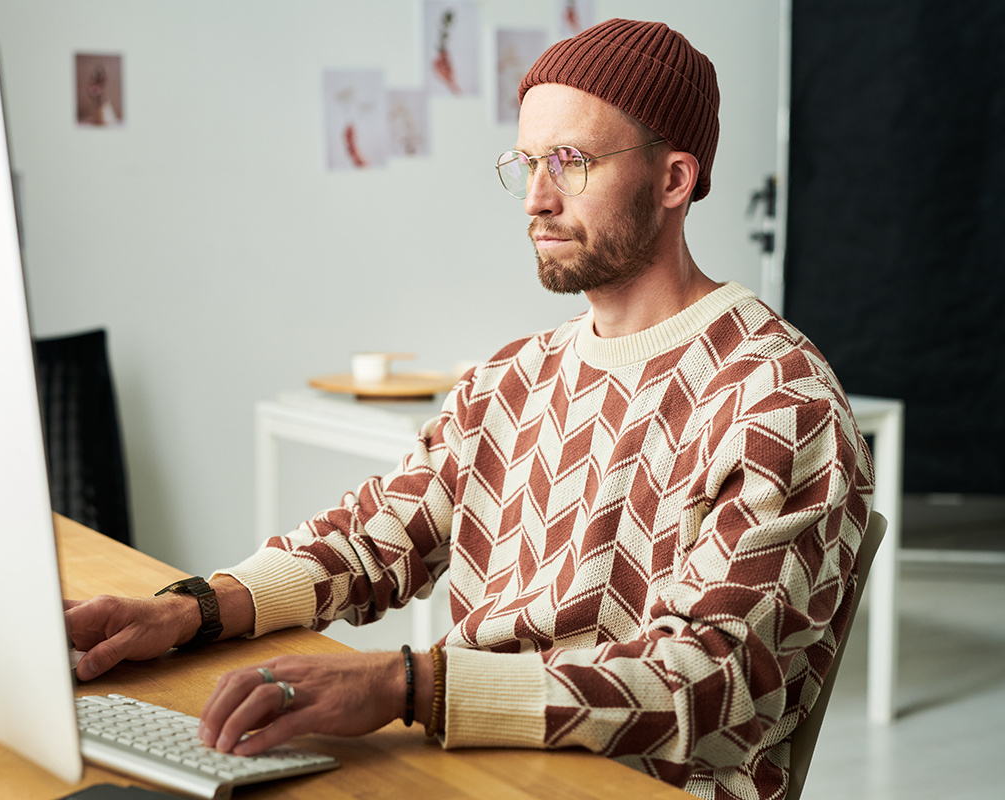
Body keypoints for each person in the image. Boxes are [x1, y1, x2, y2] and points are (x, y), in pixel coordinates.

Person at [65, 18, 874, 800]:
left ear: (674, 180)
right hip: (473, 764)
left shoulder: (778, 400)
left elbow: (706, 682)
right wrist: (191, 611)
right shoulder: (512, 378)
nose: (535, 199)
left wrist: (405, 683)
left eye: (570, 162)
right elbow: (373, 538)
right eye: (525, 163)